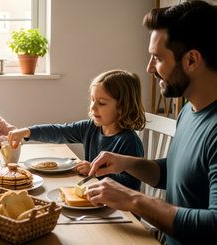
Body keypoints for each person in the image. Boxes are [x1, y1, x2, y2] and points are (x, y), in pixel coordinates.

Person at [87, 2, 217, 244]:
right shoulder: (188, 110)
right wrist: (126, 162)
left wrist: (133, 199)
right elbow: (179, 174)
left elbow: (213, 225)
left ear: (191, 60)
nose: (149, 68)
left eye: (157, 58)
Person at [7, 69, 145, 191]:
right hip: (97, 199)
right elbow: (59, 132)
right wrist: (27, 132)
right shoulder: (90, 128)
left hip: (122, 212)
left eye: (101, 103)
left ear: (123, 107)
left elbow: (131, 186)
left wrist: (95, 171)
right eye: (92, 100)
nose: (93, 107)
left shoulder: (129, 141)